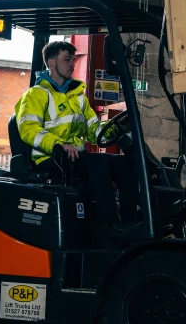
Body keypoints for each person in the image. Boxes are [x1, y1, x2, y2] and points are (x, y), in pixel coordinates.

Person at [14, 41, 138, 238]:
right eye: (67, 59)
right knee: (97, 164)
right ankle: (110, 226)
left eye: (73, 59)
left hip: (75, 158)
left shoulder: (77, 97)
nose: (72, 64)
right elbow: (29, 129)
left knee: (125, 163)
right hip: (50, 158)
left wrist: (115, 130)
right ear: (52, 63)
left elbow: (93, 130)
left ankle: (131, 222)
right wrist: (58, 144)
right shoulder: (36, 94)